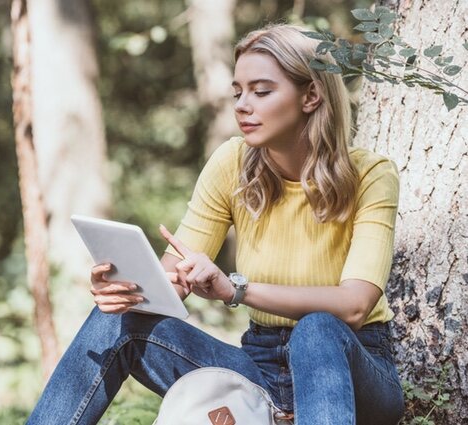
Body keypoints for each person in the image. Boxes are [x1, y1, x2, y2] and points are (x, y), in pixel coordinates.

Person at [26, 23, 405, 425]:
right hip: (259, 370)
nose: (243, 105)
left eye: (261, 91)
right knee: (115, 319)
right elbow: (171, 277)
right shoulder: (232, 163)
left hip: (352, 371)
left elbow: (354, 305)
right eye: (237, 92)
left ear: (311, 95)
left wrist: (235, 289)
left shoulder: (371, 174)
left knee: (317, 330)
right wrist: (129, 290)